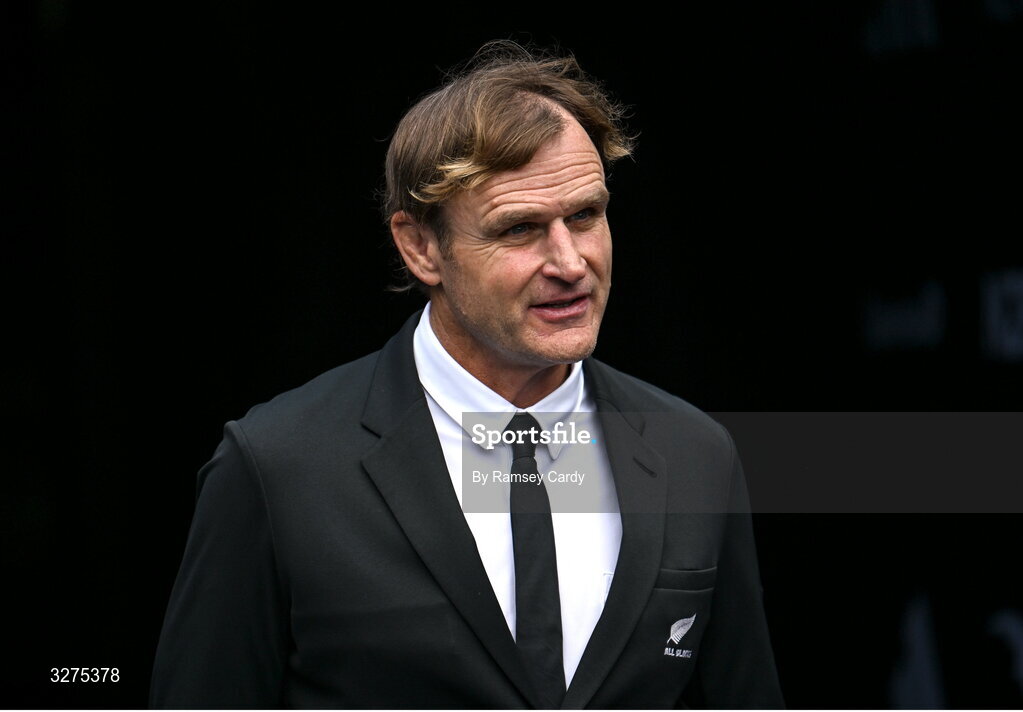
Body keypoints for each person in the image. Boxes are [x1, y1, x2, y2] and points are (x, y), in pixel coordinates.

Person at [150, 42, 784, 709]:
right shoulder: (278, 466)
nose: (570, 262)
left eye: (584, 216)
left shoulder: (694, 453)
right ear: (421, 247)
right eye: (519, 229)